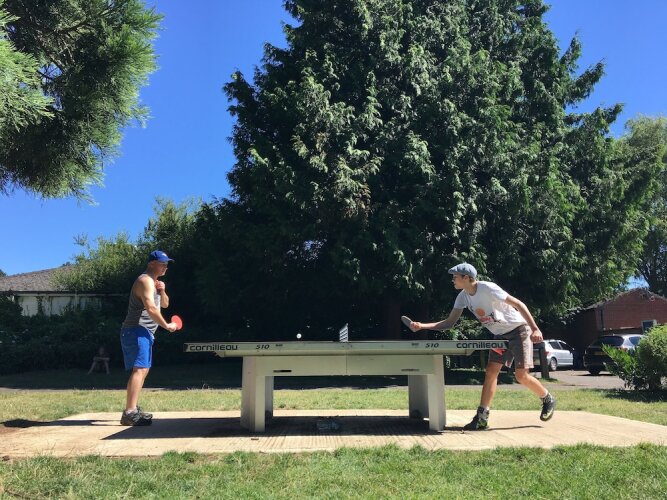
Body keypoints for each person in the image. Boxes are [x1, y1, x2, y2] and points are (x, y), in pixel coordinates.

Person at [406, 262, 556, 430]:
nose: (452, 280)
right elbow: (449, 322)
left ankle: (547, 398)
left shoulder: (488, 288)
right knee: (491, 371)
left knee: (521, 376)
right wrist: (422, 326)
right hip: (500, 335)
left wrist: (535, 329)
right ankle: (482, 418)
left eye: (455, 277)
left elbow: (519, 304)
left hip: (519, 330)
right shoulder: (462, 297)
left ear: (466, 278)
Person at [119, 250, 178, 426]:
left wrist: (162, 291)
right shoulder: (145, 281)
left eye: (167, 264)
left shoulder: (154, 283)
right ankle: (130, 413)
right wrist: (166, 325)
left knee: (143, 370)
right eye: (162, 263)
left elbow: (164, 304)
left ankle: (132, 410)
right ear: (152, 264)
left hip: (144, 332)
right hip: (136, 330)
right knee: (140, 369)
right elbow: (151, 309)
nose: (166, 267)